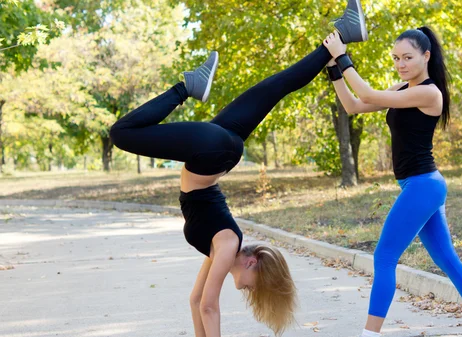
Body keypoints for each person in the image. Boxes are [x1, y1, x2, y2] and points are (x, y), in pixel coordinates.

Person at [108, 1, 368, 336]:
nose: (248, 290)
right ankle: (185, 88)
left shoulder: (223, 250)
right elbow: (209, 306)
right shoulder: (229, 243)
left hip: (220, 149)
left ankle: (343, 34)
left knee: (276, 86)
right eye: (256, 284)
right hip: (210, 153)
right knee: (121, 133)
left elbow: (196, 301)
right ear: (252, 262)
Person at [323, 26, 462, 337]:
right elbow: (354, 105)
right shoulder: (403, 88)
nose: (400, 64)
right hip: (418, 186)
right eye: (396, 58)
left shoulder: (430, 92)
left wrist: (343, 56)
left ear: (426, 56)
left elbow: (367, 93)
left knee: (384, 256)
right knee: (447, 259)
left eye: (407, 57)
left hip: (423, 185)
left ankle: (370, 334)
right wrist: (334, 71)